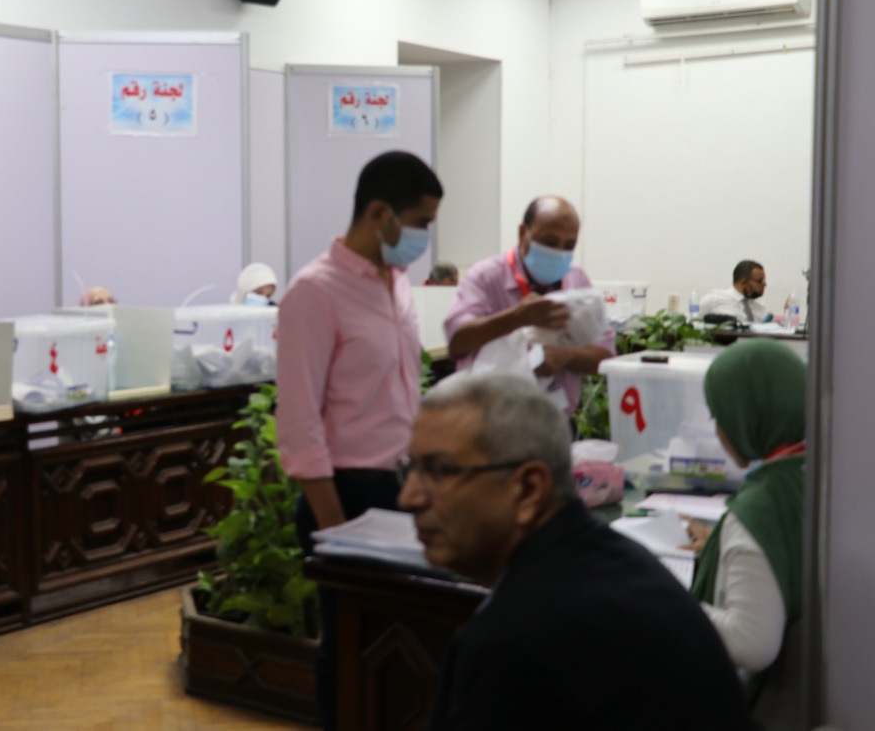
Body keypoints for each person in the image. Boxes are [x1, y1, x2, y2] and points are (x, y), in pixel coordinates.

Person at [398, 372, 752, 730]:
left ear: (528, 488)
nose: (408, 497)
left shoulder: (518, 640)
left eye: (439, 471)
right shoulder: (611, 562)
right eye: (409, 469)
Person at [276, 150, 442, 730]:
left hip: (401, 488)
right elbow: (299, 422)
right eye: (420, 223)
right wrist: (335, 529)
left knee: (404, 642)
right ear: (379, 214)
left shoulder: (397, 283)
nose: (425, 237)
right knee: (348, 648)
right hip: (346, 496)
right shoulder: (314, 291)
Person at [687, 340, 806, 729]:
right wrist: (723, 545)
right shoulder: (817, 471)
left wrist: (675, 599)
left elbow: (752, 643)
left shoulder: (761, 508)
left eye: (720, 416)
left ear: (748, 415)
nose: (718, 429)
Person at [442, 196, 613, 419]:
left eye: (569, 246)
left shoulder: (577, 281)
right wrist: (516, 318)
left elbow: (606, 355)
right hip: (490, 423)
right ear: (523, 233)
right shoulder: (486, 277)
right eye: (549, 242)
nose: (559, 252)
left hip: (556, 423)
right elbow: (457, 342)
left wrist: (568, 356)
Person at [699, 260, 772, 323]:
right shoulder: (714, 298)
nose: (765, 285)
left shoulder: (759, 305)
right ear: (743, 282)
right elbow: (696, 322)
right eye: (760, 281)